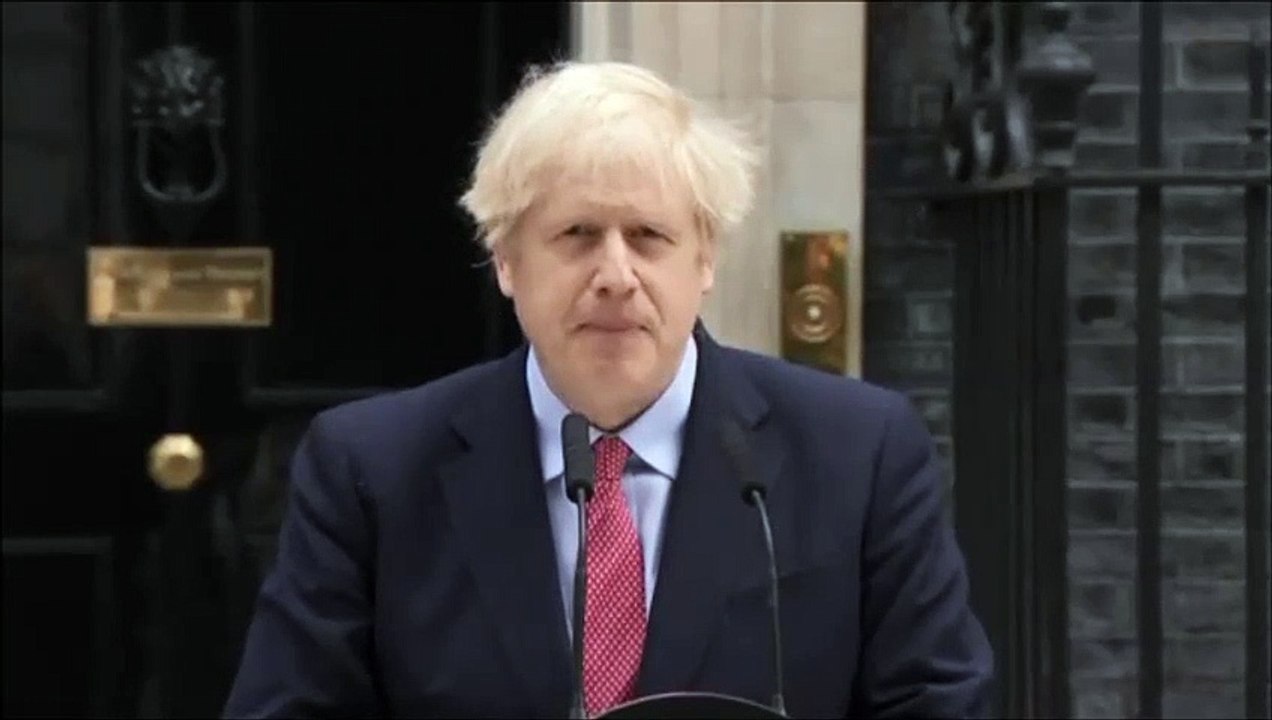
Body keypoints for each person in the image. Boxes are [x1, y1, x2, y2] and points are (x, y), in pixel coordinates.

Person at [223, 60, 993, 719]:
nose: (617, 277)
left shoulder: (858, 453)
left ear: (705, 260)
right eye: (577, 236)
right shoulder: (373, 471)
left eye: (650, 237)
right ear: (506, 260)